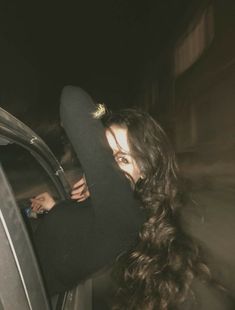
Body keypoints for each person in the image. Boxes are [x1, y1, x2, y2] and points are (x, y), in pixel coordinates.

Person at [33, 86, 232, 310]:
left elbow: (72, 99)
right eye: (106, 154)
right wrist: (55, 206)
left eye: (121, 158)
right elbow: (79, 233)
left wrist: (102, 116)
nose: (108, 167)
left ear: (144, 170)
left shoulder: (123, 213)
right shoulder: (111, 206)